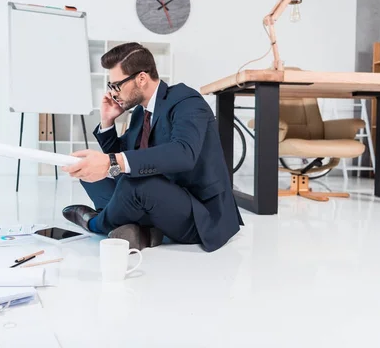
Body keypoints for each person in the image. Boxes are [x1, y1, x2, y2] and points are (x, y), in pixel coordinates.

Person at [61, 42, 243, 252]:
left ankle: (95, 223)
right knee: (89, 174)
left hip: (197, 212)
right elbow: (126, 156)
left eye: (116, 85)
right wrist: (108, 122)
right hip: (158, 199)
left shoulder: (187, 101)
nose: (113, 93)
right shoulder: (141, 112)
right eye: (111, 86)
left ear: (141, 78)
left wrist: (113, 162)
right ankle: (143, 230)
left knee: (135, 185)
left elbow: (184, 153)